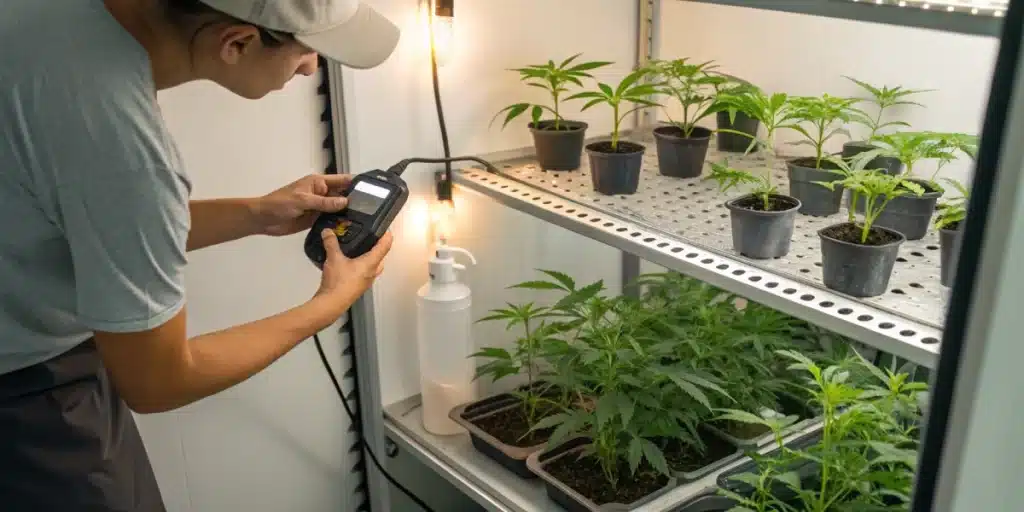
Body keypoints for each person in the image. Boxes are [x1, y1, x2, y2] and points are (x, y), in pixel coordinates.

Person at [0, 0, 401, 509]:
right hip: (30, 408)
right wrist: (328, 304)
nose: (310, 68)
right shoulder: (125, 149)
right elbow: (157, 381)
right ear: (236, 43)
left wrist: (255, 213)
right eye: (306, 50)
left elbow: (88, 216)